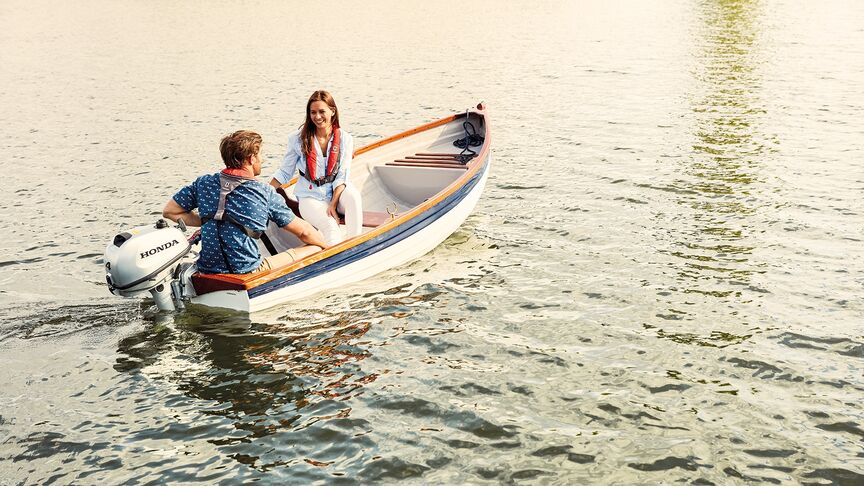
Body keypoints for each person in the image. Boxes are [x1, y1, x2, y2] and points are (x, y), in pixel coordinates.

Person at [163, 130, 327, 274]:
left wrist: (210, 221)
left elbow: (170, 211)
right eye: (260, 154)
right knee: (315, 246)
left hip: (208, 270)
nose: (261, 159)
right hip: (247, 272)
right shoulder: (263, 192)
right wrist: (329, 248)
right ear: (251, 158)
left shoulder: (203, 183)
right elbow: (304, 232)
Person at [270, 90, 363, 246]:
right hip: (309, 196)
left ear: (332, 111)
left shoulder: (346, 139)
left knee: (354, 197)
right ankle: (335, 263)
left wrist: (333, 204)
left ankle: (356, 245)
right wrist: (264, 191)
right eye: (313, 112)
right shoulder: (297, 139)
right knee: (331, 227)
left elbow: (342, 175)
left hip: (337, 192)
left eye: (322, 111)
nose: (317, 117)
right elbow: (285, 172)